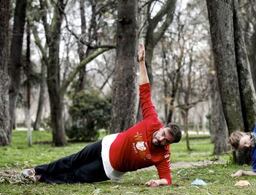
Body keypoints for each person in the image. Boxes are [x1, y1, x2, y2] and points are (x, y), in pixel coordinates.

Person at [21, 44, 182, 187]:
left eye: (166, 141)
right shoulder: (152, 120)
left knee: (76, 176)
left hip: (110, 168)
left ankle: (40, 179)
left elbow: (167, 178)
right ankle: (34, 170)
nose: (162, 139)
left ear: (170, 143)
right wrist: (141, 63)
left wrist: (158, 182)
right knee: (72, 160)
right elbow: (145, 91)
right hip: (106, 144)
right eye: (163, 134)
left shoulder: (163, 155)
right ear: (162, 127)